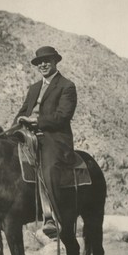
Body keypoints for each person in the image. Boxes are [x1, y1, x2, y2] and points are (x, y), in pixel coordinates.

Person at [14, 46, 77, 237]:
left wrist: (37, 122)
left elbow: (63, 116)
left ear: (55, 61)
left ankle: (52, 217)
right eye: (39, 62)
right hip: (29, 135)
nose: (42, 64)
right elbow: (23, 111)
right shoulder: (34, 88)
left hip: (54, 138)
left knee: (48, 167)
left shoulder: (67, 86)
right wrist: (15, 126)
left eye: (47, 60)